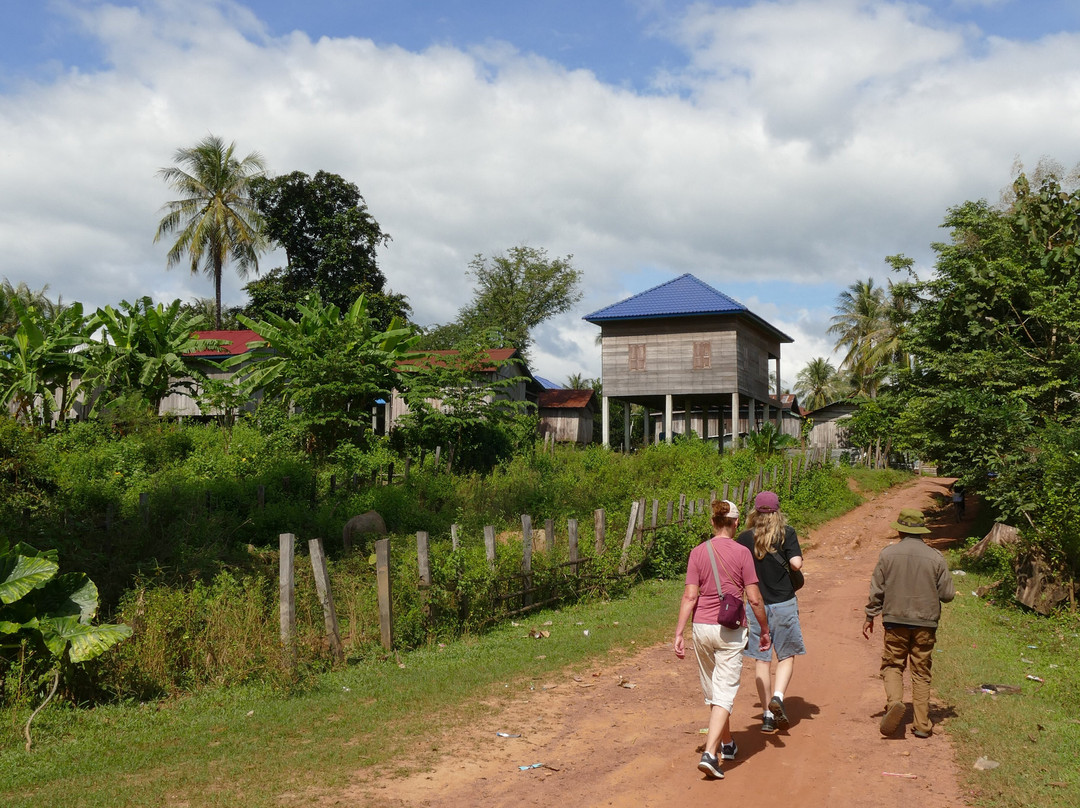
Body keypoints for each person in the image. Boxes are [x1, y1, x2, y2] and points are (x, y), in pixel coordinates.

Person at [674, 499, 771, 780]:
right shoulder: (743, 553)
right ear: (736, 523)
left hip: (702, 628)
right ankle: (710, 754)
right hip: (730, 629)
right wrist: (764, 629)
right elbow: (754, 598)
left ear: (712, 522)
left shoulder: (697, 552)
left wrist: (679, 632)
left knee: (715, 693)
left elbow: (690, 596)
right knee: (724, 692)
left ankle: (727, 744)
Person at [862, 508, 956, 738]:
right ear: (921, 531)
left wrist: (870, 615)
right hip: (926, 623)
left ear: (900, 531)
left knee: (893, 665)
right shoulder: (936, 557)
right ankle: (922, 724)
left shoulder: (887, 555)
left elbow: (877, 590)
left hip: (895, 621)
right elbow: (947, 594)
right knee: (921, 671)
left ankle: (895, 702)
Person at [736, 490, 805, 734]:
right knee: (786, 655)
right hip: (784, 603)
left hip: (756, 605)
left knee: (762, 660)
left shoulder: (744, 538)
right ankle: (778, 696)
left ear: (755, 512)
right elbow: (796, 564)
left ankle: (766, 715)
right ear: (777, 511)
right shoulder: (787, 533)